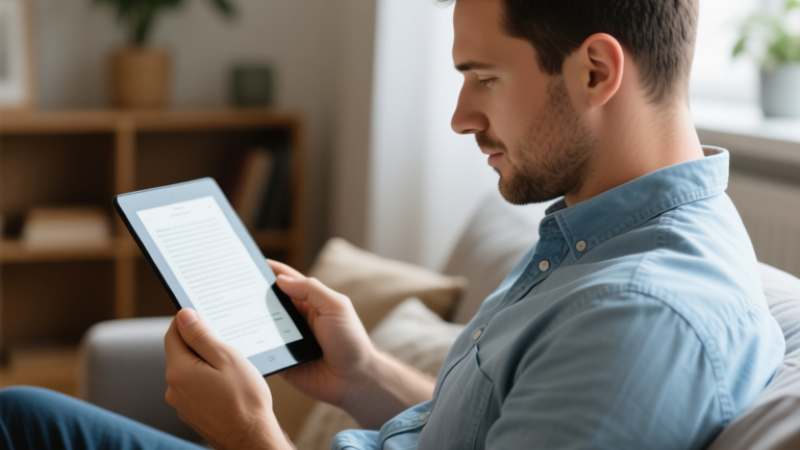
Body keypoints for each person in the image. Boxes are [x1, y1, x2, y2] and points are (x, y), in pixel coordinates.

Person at [0, 0, 787, 448]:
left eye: (483, 77)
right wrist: (361, 375)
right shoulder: (595, 231)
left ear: (595, 71)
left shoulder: (638, 317)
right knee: (24, 417)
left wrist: (251, 435)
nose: (459, 117)